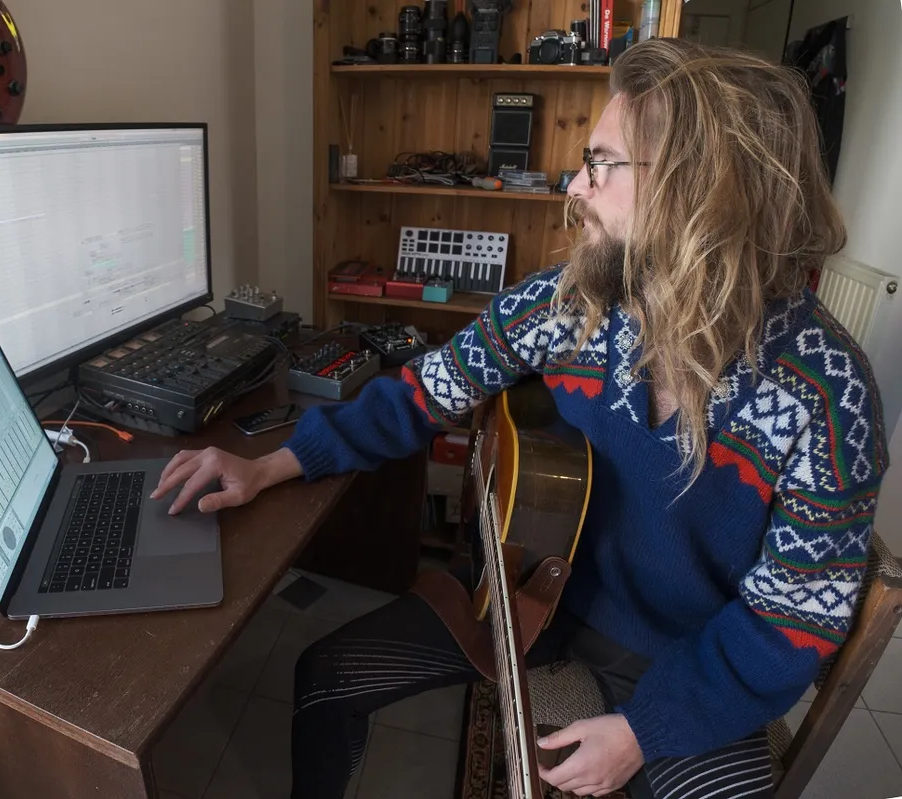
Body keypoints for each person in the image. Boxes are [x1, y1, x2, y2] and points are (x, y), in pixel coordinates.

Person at [151, 38, 889, 799]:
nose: (575, 185)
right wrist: (269, 464)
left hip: (692, 657)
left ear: (701, 189)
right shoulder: (571, 303)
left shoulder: (828, 393)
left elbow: (790, 622)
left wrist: (643, 732)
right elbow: (425, 391)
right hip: (531, 595)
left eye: (602, 164)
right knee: (327, 677)